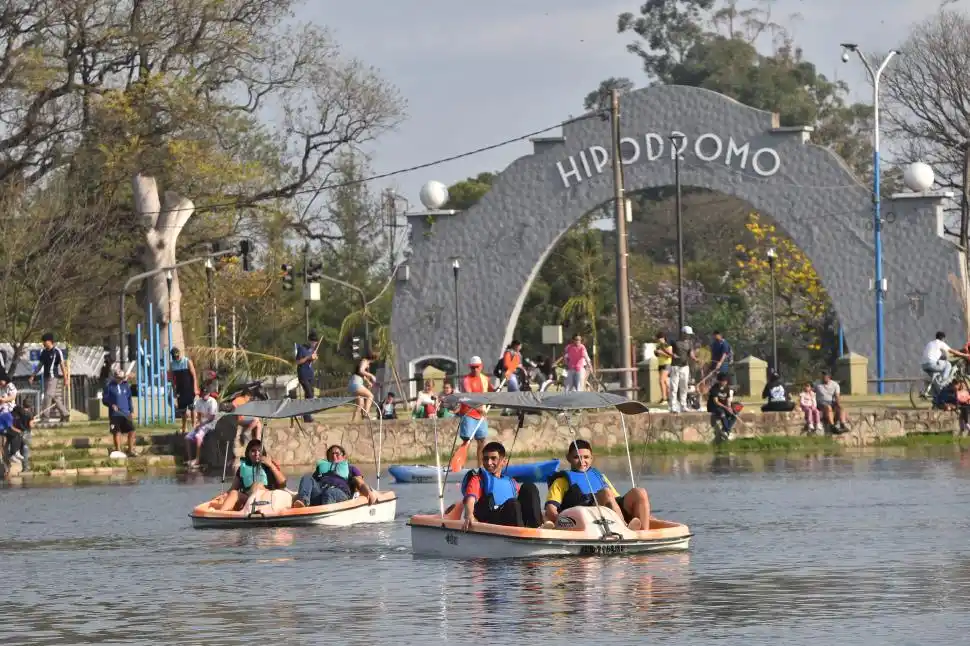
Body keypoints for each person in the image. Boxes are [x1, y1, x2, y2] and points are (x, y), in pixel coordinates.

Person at [544, 439, 650, 530]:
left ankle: (645, 535)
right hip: (584, 516)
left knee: (640, 492)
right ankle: (624, 527)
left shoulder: (600, 476)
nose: (582, 461)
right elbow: (550, 508)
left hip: (610, 514)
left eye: (586, 457)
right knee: (606, 492)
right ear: (568, 458)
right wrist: (561, 521)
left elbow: (616, 500)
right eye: (577, 457)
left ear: (591, 458)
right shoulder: (561, 481)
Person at [459, 441, 542, 529]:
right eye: (486, 459)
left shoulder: (511, 482)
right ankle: (520, 534)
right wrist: (469, 515)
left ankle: (536, 526)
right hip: (492, 520)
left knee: (529, 488)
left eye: (493, 458)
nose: (489, 462)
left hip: (513, 516)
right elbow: (470, 500)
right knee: (513, 504)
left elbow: (525, 502)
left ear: (504, 461)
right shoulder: (478, 479)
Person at [293, 444, 379, 508]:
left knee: (330, 492)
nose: (334, 456)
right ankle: (303, 502)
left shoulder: (351, 469)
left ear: (344, 457)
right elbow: (309, 484)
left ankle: (325, 516)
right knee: (307, 477)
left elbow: (360, 483)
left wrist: (368, 493)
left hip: (340, 494)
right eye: (331, 454)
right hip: (320, 494)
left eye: (337, 454)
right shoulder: (321, 469)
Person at [218, 439, 287, 511]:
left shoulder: (269, 465)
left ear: (263, 452)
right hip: (248, 499)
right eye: (253, 451)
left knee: (257, 485)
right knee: (234, 493)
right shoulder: (242, 468)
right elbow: (233, 488)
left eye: (259, 451)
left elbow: (283, 483)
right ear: (248, 453)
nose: (257, 453)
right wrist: (224, 495)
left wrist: (271, 465)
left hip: (267, 498)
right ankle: (220, 516)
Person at [458, 356, 496, 468]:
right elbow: (469, 397)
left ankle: (480, 467)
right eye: (472, 367)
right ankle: (461, 466)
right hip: (468, 413)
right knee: (467, 441)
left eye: (477, 367)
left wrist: (495, 391)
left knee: (482, 440)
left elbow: (491, 390)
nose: (475, 369)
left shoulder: (485, 379)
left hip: (481, 415)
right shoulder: (466, 380)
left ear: (481, 367)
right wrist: (478, 408)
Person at [28, 332, 70, 422]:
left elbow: (62, 366)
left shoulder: (57, 352)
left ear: (50, 341)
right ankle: (65, 414)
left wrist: (66, 379)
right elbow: (40, 365)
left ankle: (45, 417)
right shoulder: (44, 352)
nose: (43, 343)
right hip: (46, 377)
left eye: (44, 341)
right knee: (54, 397)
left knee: (47, 396)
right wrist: (33, 375)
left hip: (53, 377)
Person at [102, 368, 138, 457]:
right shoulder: (109, 386)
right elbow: (104, 399)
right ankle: (118, 450)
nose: (120, 380)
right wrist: (111, 405)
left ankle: (130, 450)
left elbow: (129, 399)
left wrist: (131, 411)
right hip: (115, 414)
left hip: (126, 413)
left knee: (132, 430)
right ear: (115, 377)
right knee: (117, 432)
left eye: (121, 378)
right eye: (118, 378)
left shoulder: (126, 386)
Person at [168, 347, 199, 435]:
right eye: (175, 357)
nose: (177, 358)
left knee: (192, 407)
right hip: (180, 389)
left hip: (189, 388)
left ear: (179, 354)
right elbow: (171, 379)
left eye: (177, 356)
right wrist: (174, 390)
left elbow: (194, 375)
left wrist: (195, 388)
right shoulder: (172, 364)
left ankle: (194, 425)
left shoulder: (187, 361)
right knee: (182, 410)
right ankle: (184, 427)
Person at [185, 390, 219, 467]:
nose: (204, 395)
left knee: (198, 436)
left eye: (206, 394)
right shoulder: (199, 401)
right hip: (202, 423)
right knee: (187, 437)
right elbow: (199, 414)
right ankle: (190, 459)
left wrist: (201, 424)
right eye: (203, 394)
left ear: (209, 393)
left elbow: (212, 417)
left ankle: (197, 460)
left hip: (211, 424)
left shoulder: (212, 402)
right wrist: (198, 423)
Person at [669, 326, 697, 413]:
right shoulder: (674, 342)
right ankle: (673, 406)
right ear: (683, 333)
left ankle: (683, 406)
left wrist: (695, 358)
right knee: (674, 387)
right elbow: (667, 350)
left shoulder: (689, 343)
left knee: (684, 387)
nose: (689, 336)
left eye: (690, 335)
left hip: (685, 367)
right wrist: (672, 354)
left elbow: (691, 353)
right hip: (675, 367)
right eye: (688, 334)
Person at [295, 331, 319, 422]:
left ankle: (307, 416)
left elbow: (312, 362)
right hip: (303, 374)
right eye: (313, 341)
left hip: (310, 374)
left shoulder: (313, 350)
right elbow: (298, 362)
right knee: (309, 393)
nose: (314, 343)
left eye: (315, 342)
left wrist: (314, 358)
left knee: (309, 394)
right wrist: (308, 358)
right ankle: (306, 415)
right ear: (309, 340)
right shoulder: (302, 348)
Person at [5, 401, 34, 471]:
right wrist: (33, 422)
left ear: (23, 405)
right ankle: (25, 468)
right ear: (30, 407)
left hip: (16, 432)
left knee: (13, 449)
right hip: (26, 433)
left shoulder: (17, 412)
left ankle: (8, 468)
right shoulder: (30, 414)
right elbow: (31, 425)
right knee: (25, 450)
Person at [707, 373, 736, 440]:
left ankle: (725, 430)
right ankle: (727, 430)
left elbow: (728, 399)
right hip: (714, 407)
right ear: (719, 381)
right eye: (723, 381)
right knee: (722, 413)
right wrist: (726, 407)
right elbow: (716, 402)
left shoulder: (727, 388)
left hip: (724, 406)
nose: (725, 382)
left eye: (725, 381)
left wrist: (729, 407)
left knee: (734, 414)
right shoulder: (714, 388)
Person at [349, 354, 377, 421]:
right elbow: (361, 370)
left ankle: (353, 422)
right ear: (373, 359)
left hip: (353, 384)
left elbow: (361, 374)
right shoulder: (365, 361)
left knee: (360, 404)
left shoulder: (363, 362)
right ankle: (366, 414)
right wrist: (371, 375)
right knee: (370, 396)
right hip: (356, 384)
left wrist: (368, 382)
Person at [654, 331, 673, 403]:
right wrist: (656, 353)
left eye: (659, 338)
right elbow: (658, 355)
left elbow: (670, 355)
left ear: (663, 338)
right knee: (665, 381)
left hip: (667, 364)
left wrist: (661, 352)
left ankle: (664, 397)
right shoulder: (658, 345)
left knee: (661, 381)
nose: (658, 340)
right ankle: (669, 397)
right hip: (660, 364)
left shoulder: (667, 345)